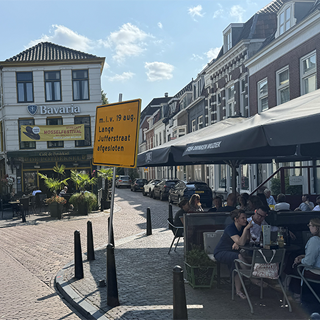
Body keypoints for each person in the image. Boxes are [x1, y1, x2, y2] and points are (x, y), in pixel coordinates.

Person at [214, 209, 260, 300]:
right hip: (221, 252)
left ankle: (238, 291)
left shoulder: (243, 227)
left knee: (236, 265)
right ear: (236, 219)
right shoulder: (230, 228)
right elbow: (241, 242)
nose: (245, 219)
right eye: (242, 218)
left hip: (232, 252)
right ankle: (251, 277)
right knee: (238, 257)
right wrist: (240, 239)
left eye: (245, 217)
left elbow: (247, 239)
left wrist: (238, 242)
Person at [289, 218, 320, 314]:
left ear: (316, 227)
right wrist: (304, 257)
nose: (309, 227)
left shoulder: (314, 240)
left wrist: (301, 260)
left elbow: (309, 262)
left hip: (315, 272)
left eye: (310, 225)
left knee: (292, 268)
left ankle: (294, 295)